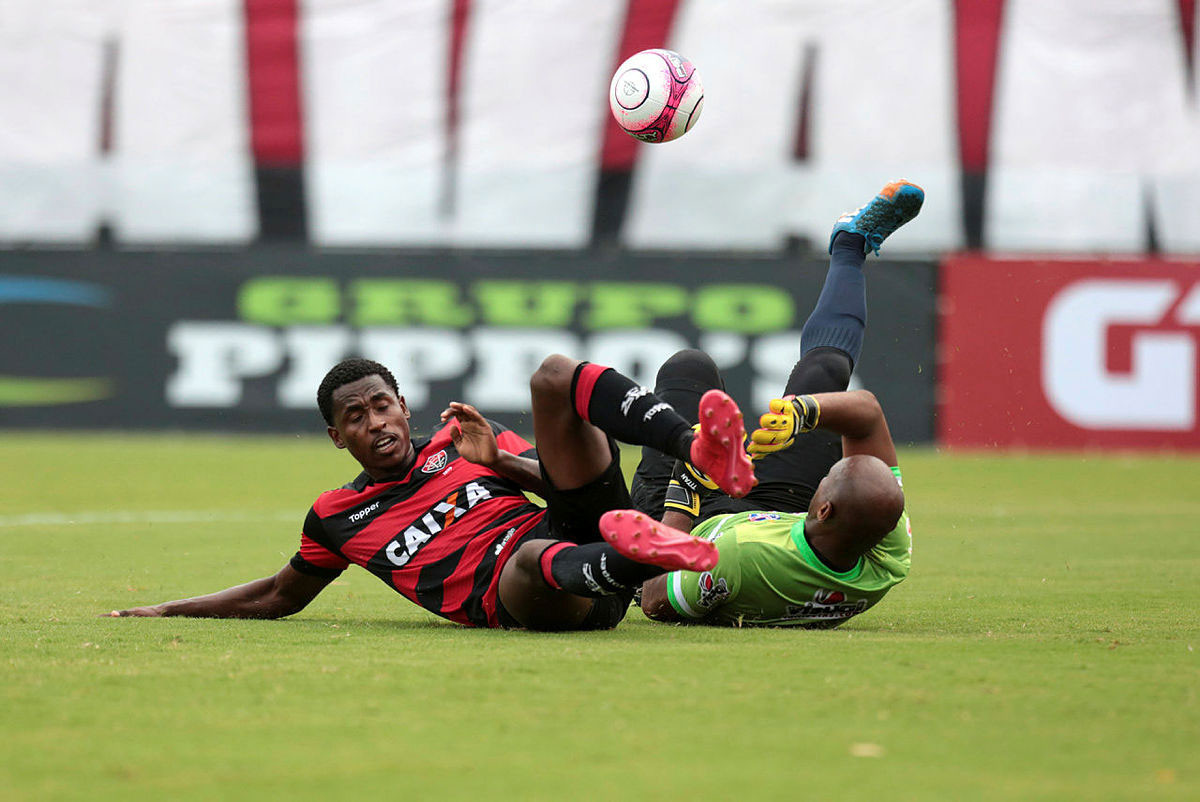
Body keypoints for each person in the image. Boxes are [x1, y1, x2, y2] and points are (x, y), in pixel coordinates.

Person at [108, 351, 755, 631]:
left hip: (573, 527)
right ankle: (643, 554)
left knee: (553, 376)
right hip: (542, 595)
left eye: (381, 406)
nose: (375, 423)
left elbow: (559, 490)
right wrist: (169, 610)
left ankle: (692, 450)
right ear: (337, 437)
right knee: (525, 563)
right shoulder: (338, 517)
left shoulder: (462, 438)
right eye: (355, 417)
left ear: (403, 406)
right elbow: (278, 593)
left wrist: (500, 464)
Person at [602, 180, 922, 628]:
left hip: (693, 529)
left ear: (825, 505)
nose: (828, 466)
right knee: (827, 373)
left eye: (829, 477)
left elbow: (655, 597)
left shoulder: (740, 558)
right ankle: (850, 245)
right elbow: (865, 412)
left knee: (687, 368)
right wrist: (803, 413)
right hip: (789, 517)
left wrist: (687, 486)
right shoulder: (888, 553)